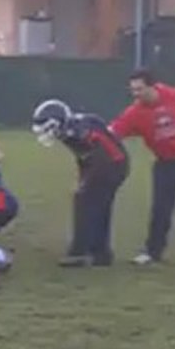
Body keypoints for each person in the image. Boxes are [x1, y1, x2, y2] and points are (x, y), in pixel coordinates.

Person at [108, 69, 175, 264]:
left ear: (152, 86)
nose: (136, 94)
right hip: (165, 164)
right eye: (133, 90)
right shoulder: (135, 112)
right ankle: (153, 252)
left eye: (140, 89)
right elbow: (114, 131)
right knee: (161, 210)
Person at [33, 98, 128, 267]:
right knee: (98, 206)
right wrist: (83, 178)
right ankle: (101, 253)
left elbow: (100, 157)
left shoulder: (81, 130)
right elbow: (84, 157)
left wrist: (86, 183)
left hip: (111, 164)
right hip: (111, 163)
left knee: (85, 203)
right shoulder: (72, 129)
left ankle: (79, 253)